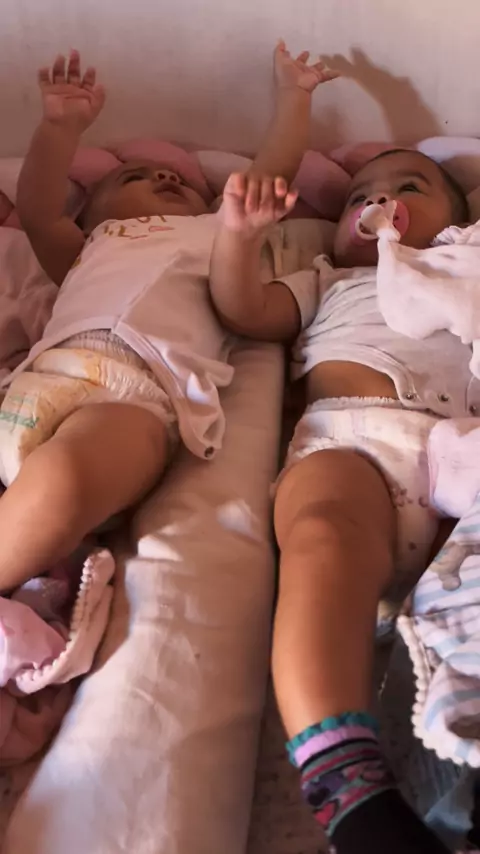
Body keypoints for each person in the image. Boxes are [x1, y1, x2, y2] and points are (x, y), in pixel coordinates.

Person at [0, 44, 339, 594]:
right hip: (37, 381)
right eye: (134, 176)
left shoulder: (216, 233)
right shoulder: (92, 244)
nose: (164, 173)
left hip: (136, 395)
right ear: (94, 212)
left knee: (64, 480)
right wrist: (60, 130)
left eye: (180, 181)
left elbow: (270, 173)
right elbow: (37, 211)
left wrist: (295, 97)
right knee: (48, 483)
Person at [209, 144, 471, 852]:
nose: (379, 202)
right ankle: (347, 786)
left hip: (466, 456)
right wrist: (238, 237)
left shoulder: (464, 263)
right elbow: (243, 307)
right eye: (359, 196)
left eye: (410, 186)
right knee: (322, 533)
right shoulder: (329, 279)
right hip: (354, 442)